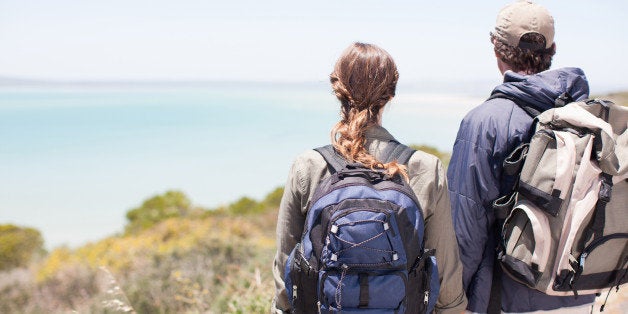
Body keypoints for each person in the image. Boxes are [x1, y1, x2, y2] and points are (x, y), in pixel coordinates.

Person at [271, 42, 467, 313]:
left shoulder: (308, 166)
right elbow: (446, 273)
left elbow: (286, 268)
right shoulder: (425, 167)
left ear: (337, 91)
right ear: (390, 95)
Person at [447, 1, 596, 313]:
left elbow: (466, 229)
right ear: (552, 49)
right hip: (577, 294)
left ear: (497, 50)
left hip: (510, 297)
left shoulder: (485, 121)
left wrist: (451, 300)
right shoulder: (585, 116)